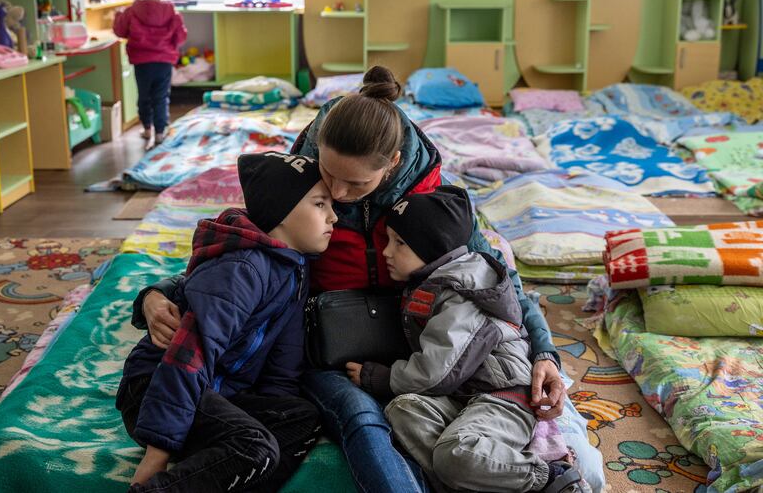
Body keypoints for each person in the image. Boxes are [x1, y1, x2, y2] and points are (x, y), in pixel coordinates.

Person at [134, 66, 567, 493]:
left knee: (454, 428)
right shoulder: (303, 188)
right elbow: (243, 251)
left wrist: (545, 352)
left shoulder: (434, 206)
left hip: (421, 347)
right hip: (328, 350)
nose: (338, 195)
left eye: (355, 182)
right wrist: (156, 294)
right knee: (364, 421)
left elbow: (493, 279)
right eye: (330, 176)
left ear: (393, 164)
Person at [117, 151, 337, 492]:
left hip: (216, 391)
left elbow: (283, 364)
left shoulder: (294, 268)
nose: (333, 217)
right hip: (156, 388)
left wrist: (269, 411)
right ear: (283, 212)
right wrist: (158, 452)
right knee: (255, 447)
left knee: (301, 417)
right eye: (320, 204)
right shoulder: (243, 269)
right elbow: (191, 354)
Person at [346, 186, 584, 493]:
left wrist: (382, 377)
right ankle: (480, 482)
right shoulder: (432, 282)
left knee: (454, 453)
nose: (387, 252)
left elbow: (438, 371)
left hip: (505, 397)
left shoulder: (462, 290)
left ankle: (551, 477)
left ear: (434, 249)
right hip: (467, 395)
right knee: (403, 409)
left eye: (400, 243)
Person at [113, 0, 187, 150]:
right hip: (164, 61)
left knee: (144, 95)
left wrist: (117, 16)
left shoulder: (132, 11)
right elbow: (181, 36)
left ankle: (147, 128)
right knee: (161, 97)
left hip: (142, 62)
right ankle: (160, 133)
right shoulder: (170, 11)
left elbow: (120, 31)